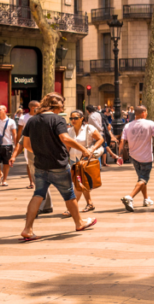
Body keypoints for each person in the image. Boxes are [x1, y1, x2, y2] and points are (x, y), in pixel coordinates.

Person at [19, 92, 96, 242]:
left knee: (38, 194)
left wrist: (42, 152)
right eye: (61, 104)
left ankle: (27, 229)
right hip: (58, 164)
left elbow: (26, 145)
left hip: (40, 164)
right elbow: (65, 138)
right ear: (55, 105)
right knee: (69, 194)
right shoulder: (57, 119)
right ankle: (79, 223)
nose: (63, 107)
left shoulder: (32, 121)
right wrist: (84, 150)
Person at [119, 106, 154, 212]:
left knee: (141, 178)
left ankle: (146, 199)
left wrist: (120, 156)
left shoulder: (128, 126)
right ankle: (130, 197)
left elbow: (122, 141)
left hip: (133, 156)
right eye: (146, 112)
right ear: (143, 113)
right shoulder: (150, 123)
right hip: (146, 157)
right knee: (144, 179)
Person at [66, 110, 105, 214]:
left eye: (75, 118)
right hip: (73, 160)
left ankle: (71, 209)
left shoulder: (89, 128)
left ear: (82, 118)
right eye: (71, 118)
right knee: (83, 183)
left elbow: (101, 139)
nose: (73, 120)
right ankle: (90, 203)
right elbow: (67, 146)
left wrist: (91, 149)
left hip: (84, 161)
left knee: (78, 184)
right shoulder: (69, 131)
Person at [11, 101, 41, 191]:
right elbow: (20, 131)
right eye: (38, 106)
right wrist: (18, 144)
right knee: (29, 162)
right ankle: (31, 181)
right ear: (32, 107)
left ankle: (40, 180)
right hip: (27, 142)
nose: (39, 108)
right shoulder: (23, 118)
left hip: (39, 142)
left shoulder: (40, 116)